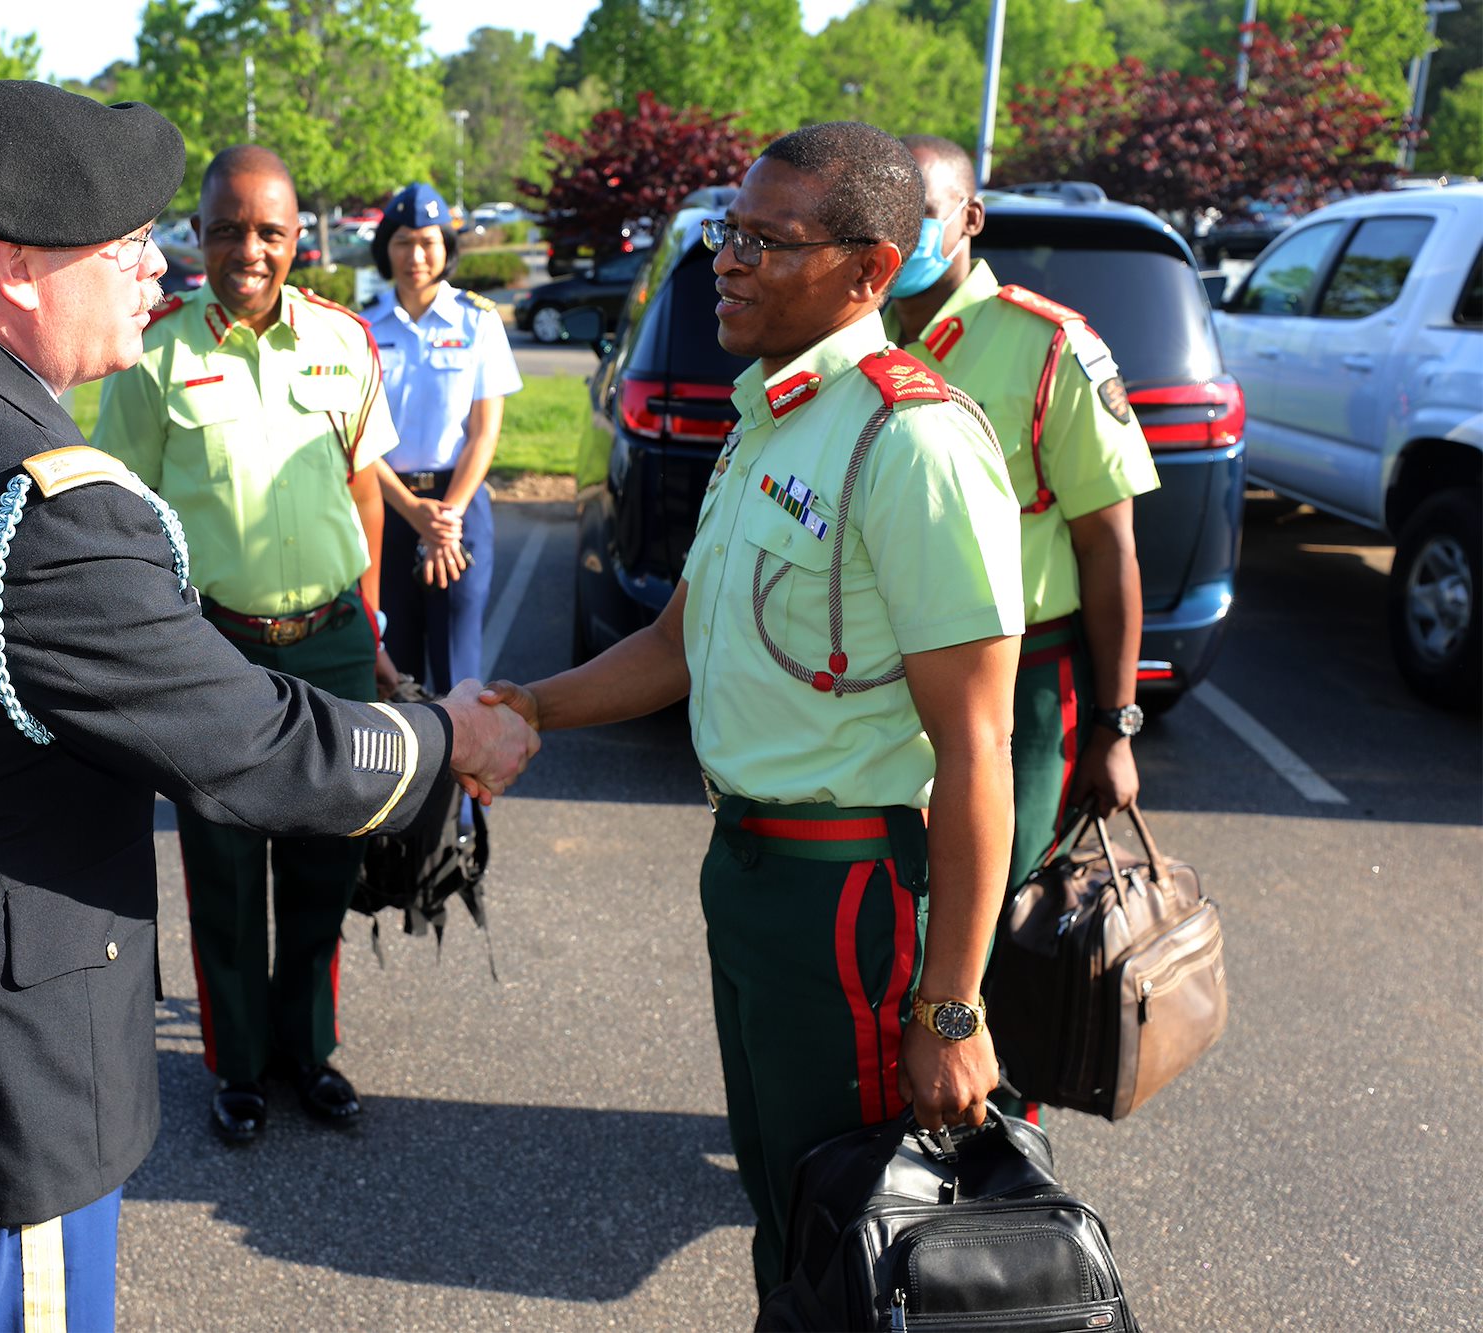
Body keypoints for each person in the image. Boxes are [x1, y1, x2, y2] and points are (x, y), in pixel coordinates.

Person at [0, 80, 536, 1332]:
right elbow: (252, 745)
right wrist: (444, 739)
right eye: (124, 246)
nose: (157, 269)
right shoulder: (37, 503)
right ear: (22, 266)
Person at [483, 122, 1025, 1303]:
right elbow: (676, 643)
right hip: (750, 874)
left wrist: (949, 1003)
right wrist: (528, 704)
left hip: (846, 899)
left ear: (870, 270)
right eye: (729, 233)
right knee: (788, 1214)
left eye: (765, 241)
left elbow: (977, 744)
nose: (726, 261)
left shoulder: (911, 437)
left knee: (859, 1236)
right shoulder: (773, 415)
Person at [91, 146, 403, 1148]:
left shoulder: (346, 341)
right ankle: (234, 1065)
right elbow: (126, 516)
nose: (248, 248)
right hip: (214, 650)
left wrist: (376, 629)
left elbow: (362, 492)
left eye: (268, 230)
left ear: (297, 238)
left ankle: (303, 1050)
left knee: (323, 866)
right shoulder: (155, 356)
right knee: (224, 874)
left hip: (334, 644)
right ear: (198, 235)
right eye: (228, 227)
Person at [883, 136, 1160, 1121]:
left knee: (994, 902)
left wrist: (1114, 726)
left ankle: (991, 1121)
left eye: (925, 209)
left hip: (1019, 679)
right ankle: (891, 1098)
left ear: (969, 221)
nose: (903, 229)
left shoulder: (1045, 344)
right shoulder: (853, 334)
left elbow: (1108, 546)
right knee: (891, 896)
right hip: (879, 669)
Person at [360, 182, 523, 700]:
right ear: (386, 247)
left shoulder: (478, 321)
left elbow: (484, 432)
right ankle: (405, 783)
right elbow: (359, 435)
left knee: (459, 677)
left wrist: (443, 521)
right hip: (387, 507)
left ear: (447, 249)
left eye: (429, 241)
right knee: (395, 675)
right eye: (403, 241)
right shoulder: (361, 325)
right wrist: (414, 514)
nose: (416, 255)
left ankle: (464, 783)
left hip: (460, 510)